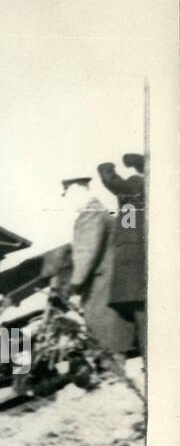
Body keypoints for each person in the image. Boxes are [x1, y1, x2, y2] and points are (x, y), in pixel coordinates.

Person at [63, 176, 136, 356]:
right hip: (110, 286)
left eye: (68, 194)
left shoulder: (89, 214)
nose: (67, 200)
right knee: (111, 344)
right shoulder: (101, 211)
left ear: (79, 189)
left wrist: (73, 287)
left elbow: (86, 254)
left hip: (100, 288)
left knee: (105, 347)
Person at [96, 154, 147, 361]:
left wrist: (107, 166)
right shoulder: (131, 200)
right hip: (135, 257)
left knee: (139, 315)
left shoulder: (135, 184)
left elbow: (111, 180)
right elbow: (128, 221)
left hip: (132, 263)